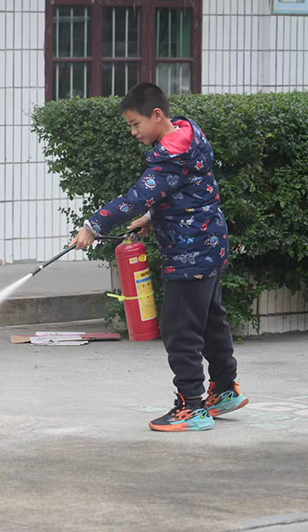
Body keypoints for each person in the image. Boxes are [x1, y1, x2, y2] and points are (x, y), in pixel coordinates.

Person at [73, 82, 248, 431]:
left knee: (180, 329)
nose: (134, 132)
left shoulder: (170, 156)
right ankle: (225, 390)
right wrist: (153, 218)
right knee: (211, 319)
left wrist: (94, 225)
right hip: (210, 244)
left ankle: (190, 407)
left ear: (157, 115)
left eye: (136, 124)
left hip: (189, 253)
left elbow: (137, 196)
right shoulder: (189, 137)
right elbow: (191, 190)